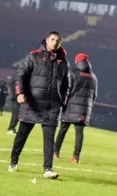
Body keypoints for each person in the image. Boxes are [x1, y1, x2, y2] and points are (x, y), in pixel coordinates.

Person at [9, 31, 69, 179]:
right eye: (53, 39)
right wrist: (19, 93)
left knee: (49, 139)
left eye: (58, 41)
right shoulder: (33, 56)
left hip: (52, 107)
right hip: (32, 104)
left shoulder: (63, 61)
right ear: (47, 40)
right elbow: (20, 75)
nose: (55, 42)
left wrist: (63, 101)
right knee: (22, 135)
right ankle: (13, 162)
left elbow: (66, 85)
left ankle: (48, 169)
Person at [55, 52, 97, 163]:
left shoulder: (73, 73)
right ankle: (76, 157)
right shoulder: (93, 77)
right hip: (84, 109)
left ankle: (55, 152)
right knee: (79, 133)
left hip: (70, 107)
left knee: (62, 130)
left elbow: (66, 89)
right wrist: (88, 107)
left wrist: (63, 103)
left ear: (77, 61)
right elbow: (94, 95)